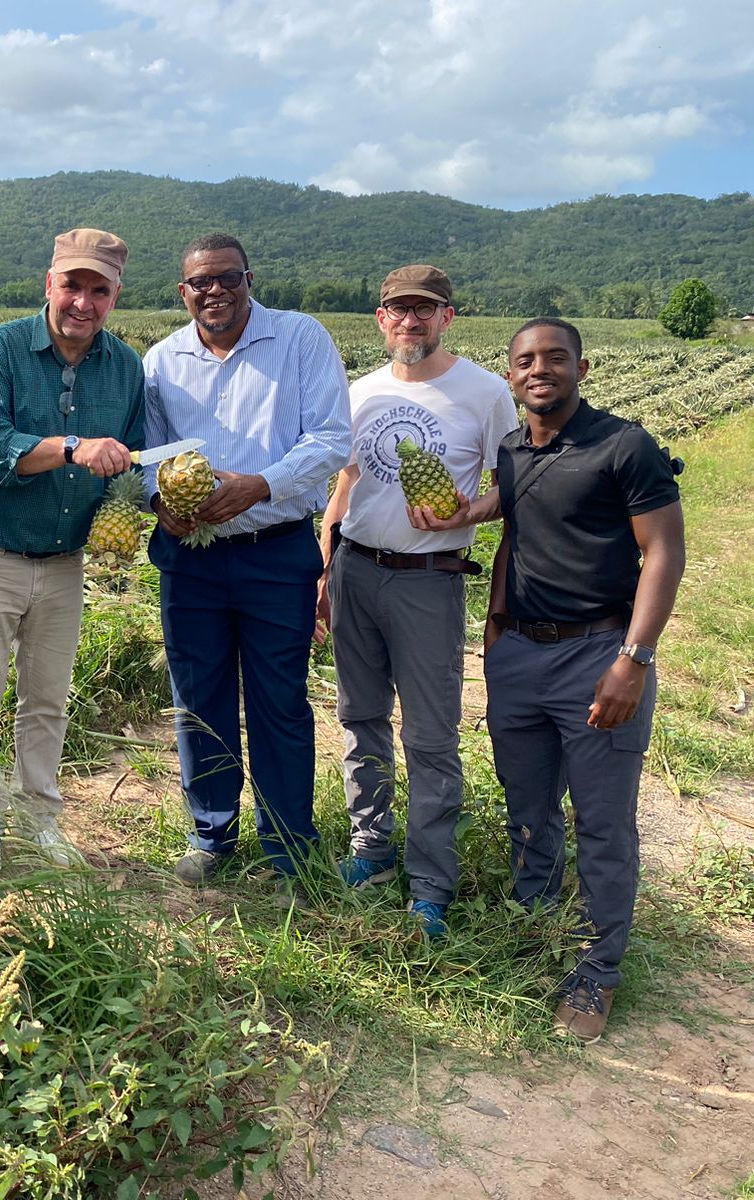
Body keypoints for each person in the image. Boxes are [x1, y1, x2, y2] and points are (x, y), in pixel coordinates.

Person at [485, 317, 684, 1042]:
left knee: (602, 823)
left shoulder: (623, 446)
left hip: (599, 652)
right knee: (529, 808)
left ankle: (598, 972)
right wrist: (494, 637)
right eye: (526, 360)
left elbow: (663, 553)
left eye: (555, 357)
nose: (540, 369)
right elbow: (513, 535)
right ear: (510, 374)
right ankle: (535, 928)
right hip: (520, 657)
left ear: (583, 367)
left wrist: (634, 658)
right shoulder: (511, 451)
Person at [143, 233, 350, 903]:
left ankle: (289, 847)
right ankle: (211, 834)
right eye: (199, 282)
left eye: (226, 278)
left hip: (275, 550)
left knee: (278, 702)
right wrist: (159, 503)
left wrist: (260, 484)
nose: (214, 291)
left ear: (248, 278)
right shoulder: (161, 361)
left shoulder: (298, 339)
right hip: (193, 559)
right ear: (183, 292)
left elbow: (330, 438)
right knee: (198, 700)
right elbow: (150, 454)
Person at [318, 265, 518, 937]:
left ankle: (431, 880)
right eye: (398, 310)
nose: (411, 321)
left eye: (425, 310)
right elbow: (343, 490)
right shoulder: (358, 393)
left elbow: (514, 486)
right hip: (356, 568)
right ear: (381, 320)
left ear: (447, 318)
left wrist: (472, 508)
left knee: (431, 736)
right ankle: (370, 850)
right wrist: (323, 571)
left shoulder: (486, 393)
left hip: (431, 578)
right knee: (359, 717)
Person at [0, 228, 144, 880]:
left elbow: (132, 463)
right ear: (49, 284)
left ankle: (39, 817)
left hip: (64, 563)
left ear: (115, 296)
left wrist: (132, 506)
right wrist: (71, 446)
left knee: (47, 700)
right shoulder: (3, 348)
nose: (82, 302)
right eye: (73, 285)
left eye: (99, 290)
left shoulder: (125, 368)